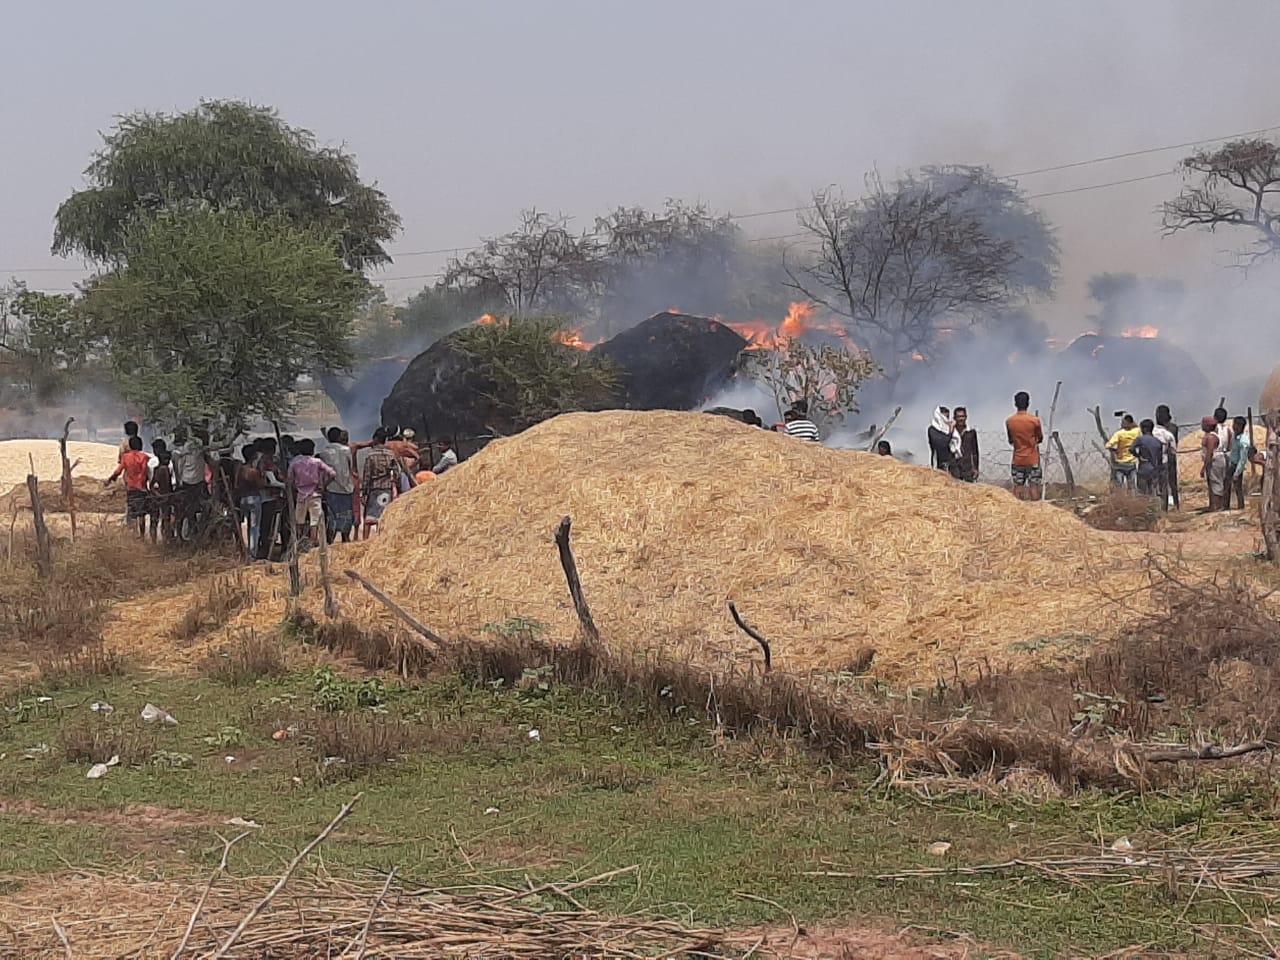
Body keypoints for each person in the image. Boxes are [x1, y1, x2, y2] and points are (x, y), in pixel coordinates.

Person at [287, 438, 336, 547]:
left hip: (301, 495)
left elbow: (289, 480)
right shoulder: (317, 462)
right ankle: (313, 541)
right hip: (315, 495)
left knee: (299, 520)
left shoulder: (295, 463)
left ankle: (299, 541)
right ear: (312, 450)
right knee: (315, 520)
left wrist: (295, 487)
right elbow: (332, 473)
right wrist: (324, 485)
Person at [105, 435, 152, 539]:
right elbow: (146, 472)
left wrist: (110, 479)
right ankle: (143, 535)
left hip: (131, 488)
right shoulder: (145, 457)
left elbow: (118, 471)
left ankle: (135, 534)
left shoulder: (126, 458)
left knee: (133, 512)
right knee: (142, 514)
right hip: (142, 488)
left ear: (130, 446)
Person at [361, 428, 404, 534]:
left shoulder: (370, 455)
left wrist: (364, 493)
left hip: (374, 489)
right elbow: (397, 473)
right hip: (387, 489)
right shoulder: (391, 455)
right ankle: (381, 539)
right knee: (383, 515)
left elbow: (367, 475)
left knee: (369, 517)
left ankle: (365, 541)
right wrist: (394, 483)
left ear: (375, 439)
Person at [319, 428, 356, 544]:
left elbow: (322, 472)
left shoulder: (323, 452)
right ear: (340, 437)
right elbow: (351, 467)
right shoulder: (346, 450)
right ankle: (345, 539)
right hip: (346, 488)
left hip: (331, 488)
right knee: (346, 515)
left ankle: (330, 541)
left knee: (331, 516)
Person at [1005, 391, 1043, 501]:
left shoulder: (1010, 421)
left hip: (1018, 459)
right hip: (1033, 459)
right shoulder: (1034, 420)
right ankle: (1036, 512)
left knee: (1018, 487)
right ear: (1028, 403)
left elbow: (1011, 440)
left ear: (1015, 404)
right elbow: (1039, 438)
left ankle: (1018, 513)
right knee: (1034, 487)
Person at [234, 440, 265, 558]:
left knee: (246, 525)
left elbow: (236, 485)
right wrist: (262, 474)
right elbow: (261, 485)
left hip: (243, 499)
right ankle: (253, 553)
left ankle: (246, 549)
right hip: (254, 498)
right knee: (255, 527)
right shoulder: (253, 471)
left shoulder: (240, 469)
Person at [1130, 419, 1165, 503]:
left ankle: (1143, 510)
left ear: (1144, 429)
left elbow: (1131, 449)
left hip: (1144, 468)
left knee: (1142, 492)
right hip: (1154, 469)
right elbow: (1160, 458)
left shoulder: (1140, 439)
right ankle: (1152, 510)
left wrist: (1138, 456)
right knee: (1153, 492)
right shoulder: (1158, 442)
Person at [1154, 405, 1179, 510]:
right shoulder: (1173, 428)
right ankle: (1176, 505)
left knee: (1161, 483)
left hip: (1159, 459)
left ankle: (1163, 506)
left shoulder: (1154, 430)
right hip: (1171, 457)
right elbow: (1174, 445)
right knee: (1173, 482)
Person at [1106, 414, 1141, 490]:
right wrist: (1129, 419)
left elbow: (1108, 445)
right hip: (1131, 463)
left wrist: (1115, 451)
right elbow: (1137, 426)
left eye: (1122, 422)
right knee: (1132, 486)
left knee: (1119, 485)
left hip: (1120, 463)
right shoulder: (1136, 432)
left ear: (1125, 423)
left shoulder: (1119, 433)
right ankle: (1132, 500)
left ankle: (1120, 499)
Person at [1200, 416, 1228, 511]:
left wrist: (1204, 467)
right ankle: (1215, 505)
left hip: (1215, 462)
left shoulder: (1211, 437)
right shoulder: (1210, 435)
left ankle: (1218, 506)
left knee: (1216, 483)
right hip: (1214, 461)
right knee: (1214, 483)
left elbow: (1210, 453)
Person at [150, 450, 177, 542]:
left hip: (158, 497)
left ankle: (155, 541)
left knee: (155, 520)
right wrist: (164, 496)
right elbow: (166, 485)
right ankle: (166, 540)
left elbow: (152, 485)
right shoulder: (164, 469)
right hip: (165, 497)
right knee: (165, 519)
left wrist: (157, 495)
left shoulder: (157, 469)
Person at [948, 406, 979, 482]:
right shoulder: (951, 432)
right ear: (954, 418)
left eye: (962, 416)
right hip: (954, 468)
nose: (961, 419)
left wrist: (976, 468)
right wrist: (950, 432)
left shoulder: (971, 432)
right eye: (958, 417)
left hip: (967, 468)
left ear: (966, 417)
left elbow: (975, 451)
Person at [1229, 415, 1250, 510]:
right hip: (1232, 464)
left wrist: (1237, 473)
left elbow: (1242, 459)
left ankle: (1241, 506)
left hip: (1237, 466)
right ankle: (1226, 505)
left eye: (1235, 425)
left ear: (1240, 426)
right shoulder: (1236, 438)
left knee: (1238, 487)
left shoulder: (1243, 441)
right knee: (1227, 486)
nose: (1233, 427)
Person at [927, 406, 953, 471]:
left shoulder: (949, 428)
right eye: (944, 418)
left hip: (951, 465)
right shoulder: (932, 429)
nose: (946, 420)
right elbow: (943, 443)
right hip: (938, 464)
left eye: (947, 417)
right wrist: (951, 431)